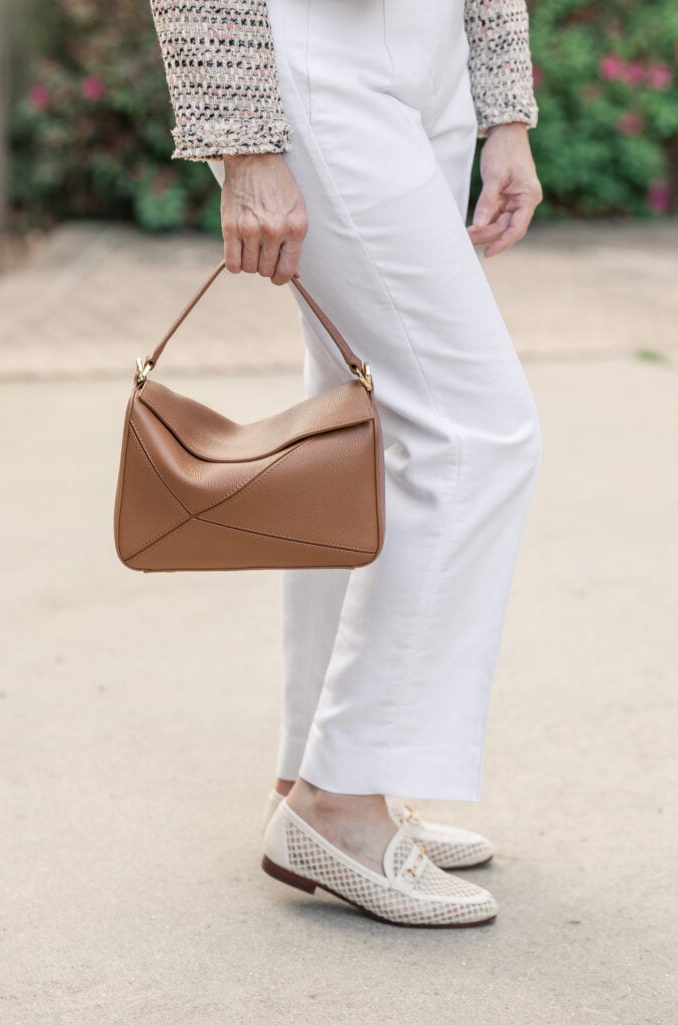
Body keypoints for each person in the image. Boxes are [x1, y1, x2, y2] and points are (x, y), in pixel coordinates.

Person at [149, 0, 543, 928]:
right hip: (314, 53)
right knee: (474, 432)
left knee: (356, 432)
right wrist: (245, 143)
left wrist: (503, 112)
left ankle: (312, 774)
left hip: (434, 55)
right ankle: (342, 799)